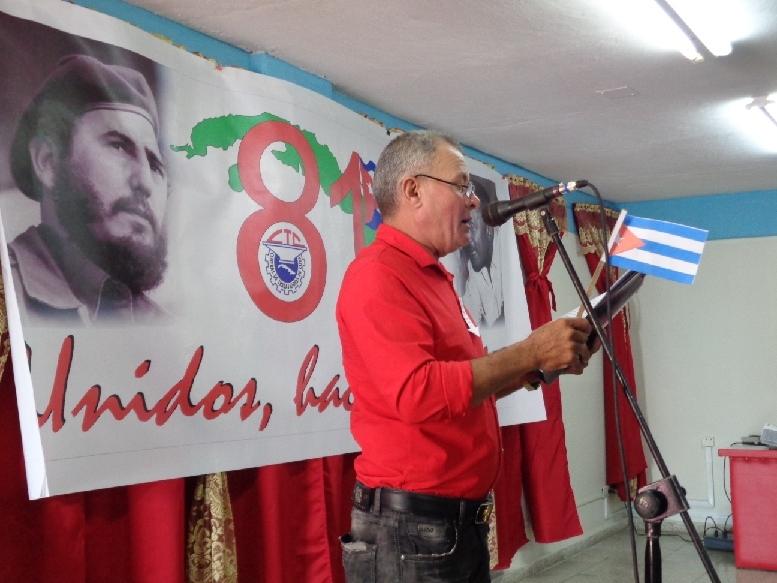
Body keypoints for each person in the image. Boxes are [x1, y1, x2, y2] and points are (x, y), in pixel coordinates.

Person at [335, 129, 598, 583]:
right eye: (462, 185)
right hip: (410, 533)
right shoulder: (377, 276)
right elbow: (419, 394)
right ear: (412, 189)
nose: (474, 202)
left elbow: (462, 387)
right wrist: (530, 350)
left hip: (448, 525)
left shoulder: (433, 277)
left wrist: (538, 365)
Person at [7, 54, 170, 326]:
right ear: (47, 161)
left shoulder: (164, 328)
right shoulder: (8, 296)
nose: (145, 182)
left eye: (155, 165)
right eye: (118, 146)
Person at [458, 177, 503, 327]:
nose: (467, 240)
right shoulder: (473, 271)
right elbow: (473, 325)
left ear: (489, 230)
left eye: (472, 228)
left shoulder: (507, 261)